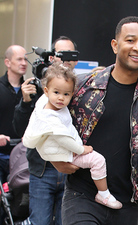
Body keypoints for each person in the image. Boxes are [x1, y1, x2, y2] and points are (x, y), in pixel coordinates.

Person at [51, 16, 138, 225]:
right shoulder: (83, 88)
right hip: (82, 196)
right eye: (130, 40)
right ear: (115, 45)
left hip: (127, 205)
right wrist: (55, 158)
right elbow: (49, 120)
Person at [23, 62, 122, 209]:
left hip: (64, 153)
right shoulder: (50, 116)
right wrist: (81, 150)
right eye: (56, 92)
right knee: (98, 160)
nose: (61, 98)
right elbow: (63, 139)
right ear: (45, 91)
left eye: (66, 94)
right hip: (66, 153)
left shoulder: (48, 102)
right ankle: (104, 193)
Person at [13, 36, 79, 225]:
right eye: (60, 55)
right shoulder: (40, 85)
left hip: (70, 171)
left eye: (70, 55)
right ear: (51, 57)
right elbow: (20, 129)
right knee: (39, 221)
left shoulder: (82, 89)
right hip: (42, 170)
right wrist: (26, 102)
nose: (66, 60)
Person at [0, 45, 27, 224]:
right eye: (19, 59)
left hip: (23, 158)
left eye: (26, 59)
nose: (24, 63)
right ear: (7, 62)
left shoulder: (31, 90)